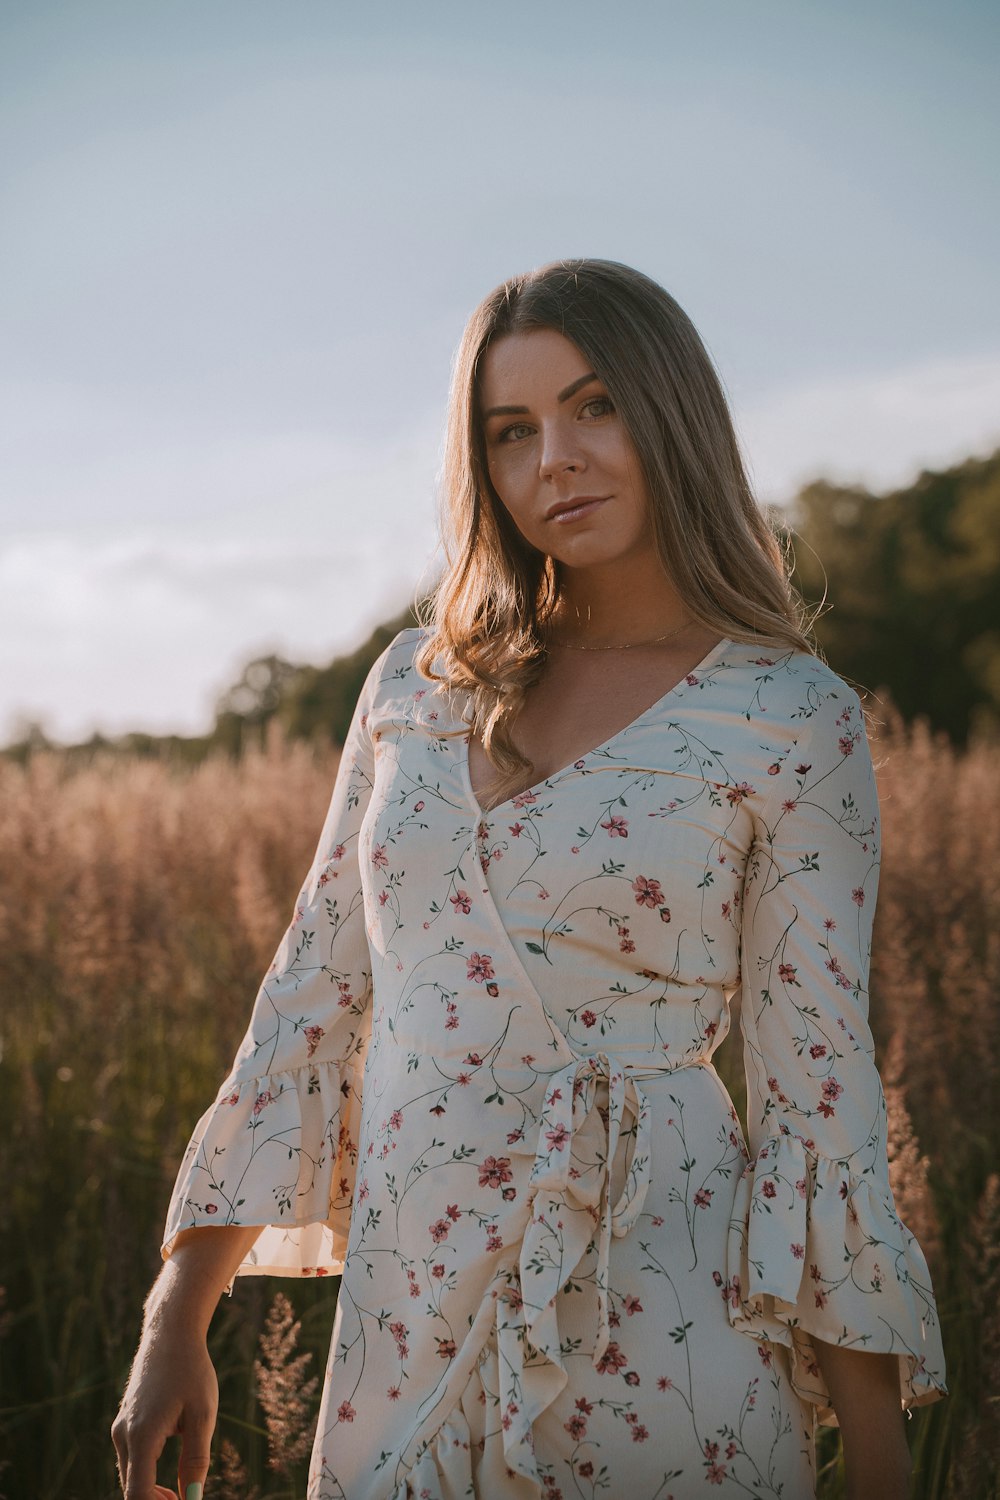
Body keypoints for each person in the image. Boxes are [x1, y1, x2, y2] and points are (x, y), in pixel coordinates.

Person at [112, 259, 946, 1500]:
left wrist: (876, 1462)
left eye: (594, 406)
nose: (554, 457)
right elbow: (311, 996)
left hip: (668, 1324)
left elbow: (816, 1094)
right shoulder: (413, 685)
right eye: (512, 431)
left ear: (673, 414)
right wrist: (176, 1311)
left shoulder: (788, 713)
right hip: (408, 1326)